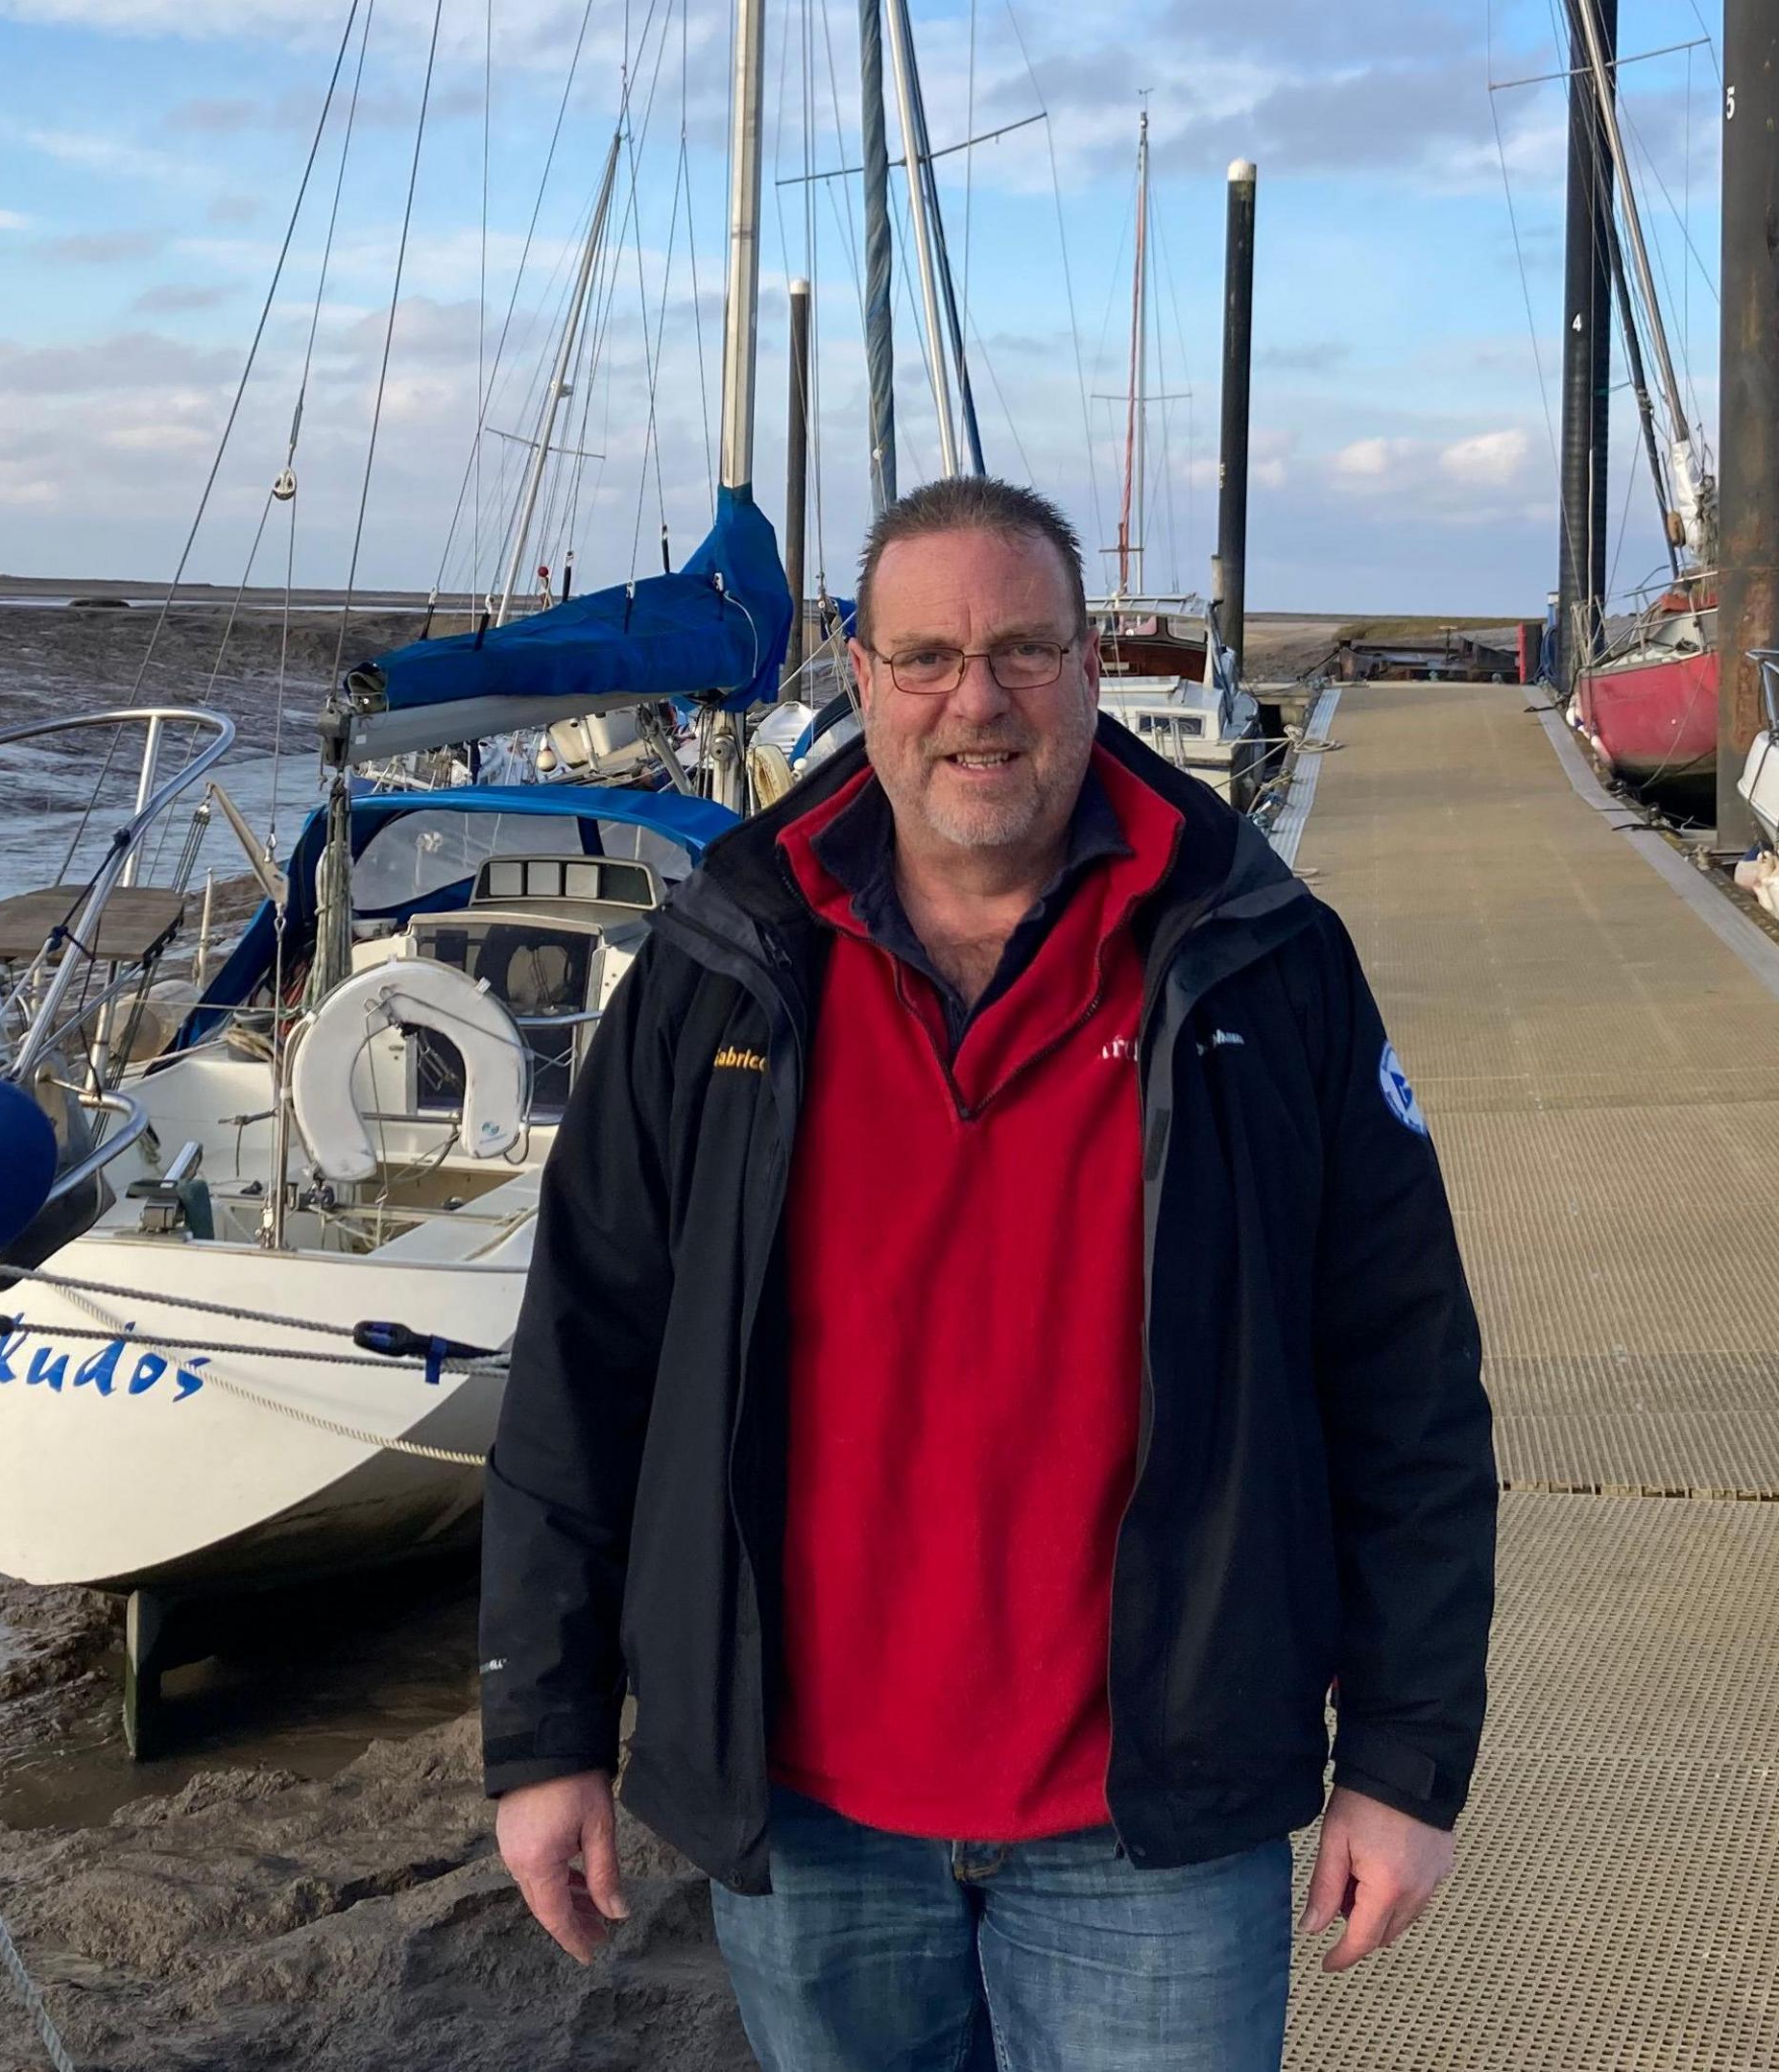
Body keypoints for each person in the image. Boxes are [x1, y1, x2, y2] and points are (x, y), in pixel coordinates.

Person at [481, 474, 1492, 2070]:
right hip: (812, 1828)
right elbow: (582, 1364)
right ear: (863, 678)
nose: (980, 702)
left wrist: (1407, 1753)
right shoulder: (723, 962)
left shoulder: (1254, 955)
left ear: (1094, 667)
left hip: (1151, 1825)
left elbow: (1406, 1372)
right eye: (931, 655)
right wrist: (542, 1733)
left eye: (1024, 651)